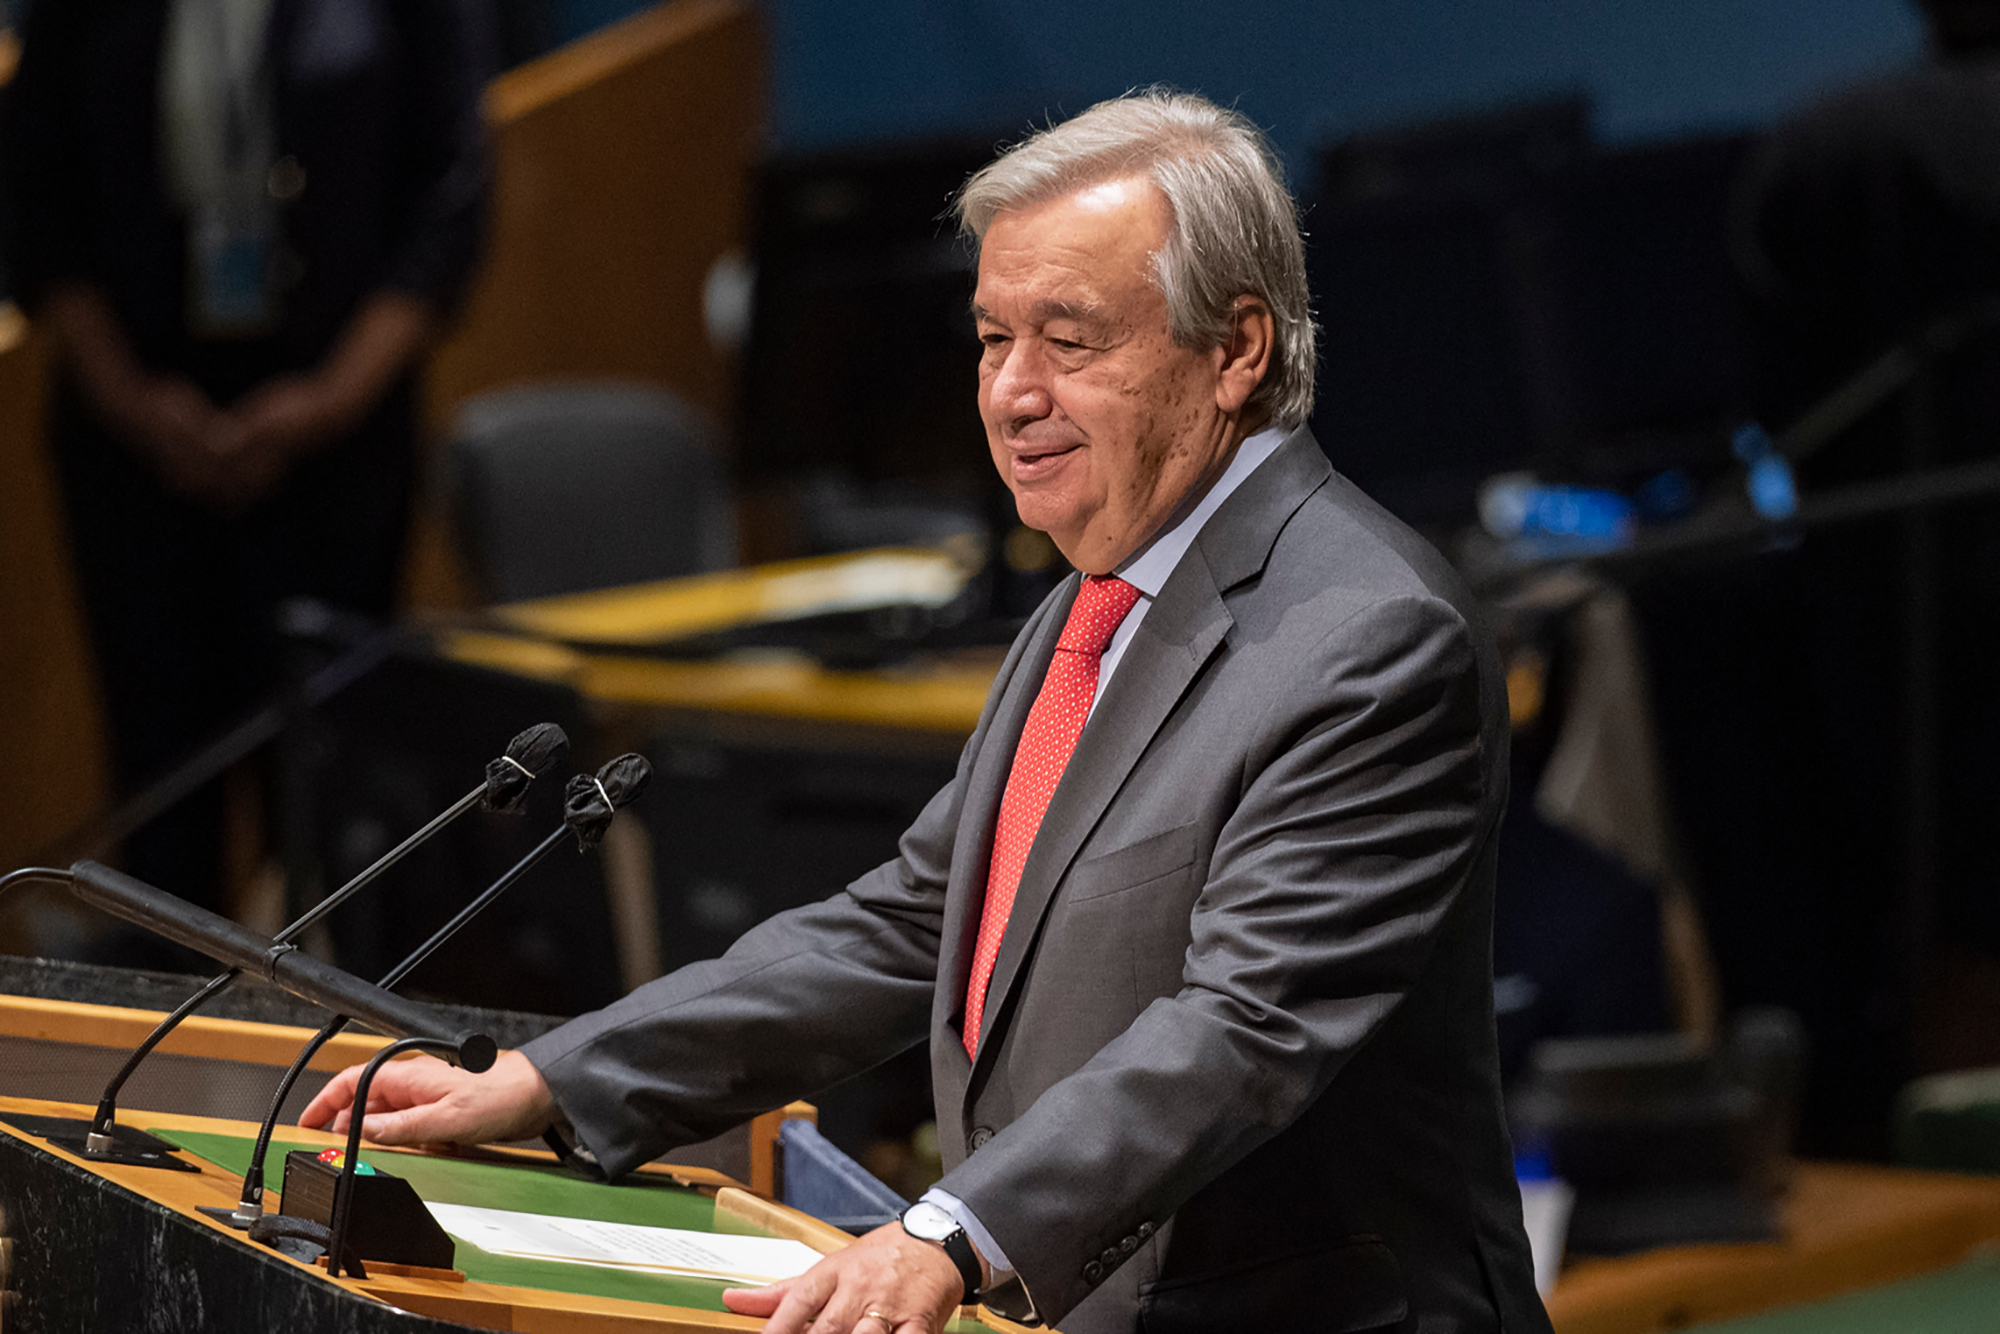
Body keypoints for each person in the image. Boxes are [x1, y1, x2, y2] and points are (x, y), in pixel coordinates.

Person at [306, 90, 1549, 1334]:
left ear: (1235, 349)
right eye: (989, 338)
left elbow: (1245, 1025)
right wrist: (553, 1075)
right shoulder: (1093, 598)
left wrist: (945, 1232)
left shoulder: (1368, 637)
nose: (1009, 392)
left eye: (1068, 340)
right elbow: (913, 923)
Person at [1, 0, 493, 937]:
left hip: (335, 442)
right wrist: (139, 405)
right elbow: (37, 196)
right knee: (160, 793)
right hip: (135, 441)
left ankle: (330, 1063)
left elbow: (452, 197)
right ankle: (162, 1053)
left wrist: (327, 403)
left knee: (327, 797)